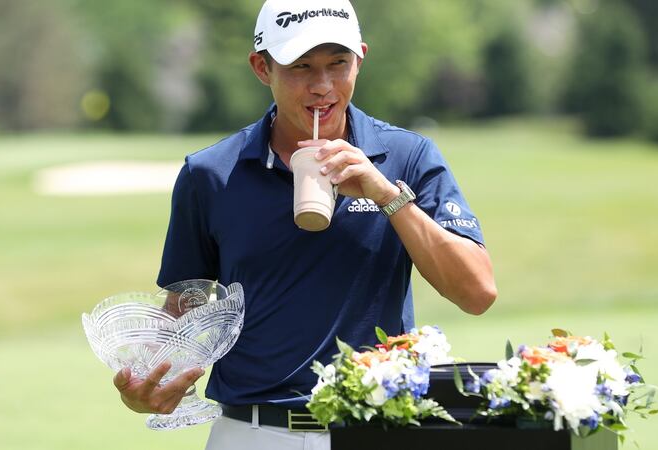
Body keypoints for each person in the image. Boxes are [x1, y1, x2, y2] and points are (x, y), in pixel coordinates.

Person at [112, 0, 497, 448]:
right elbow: (186, 303)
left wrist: (387, 197)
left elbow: (476, 293)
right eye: (300, 67)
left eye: (339, 64)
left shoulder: (407, 158)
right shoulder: (210, 174)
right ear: (262, 68)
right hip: (253, 433)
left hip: (378, 428)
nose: (323, 86)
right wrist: (150, 378)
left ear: (361, 59)